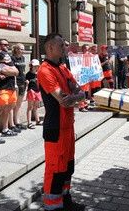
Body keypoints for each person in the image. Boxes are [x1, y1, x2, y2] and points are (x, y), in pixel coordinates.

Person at [37, 33, 86, 211]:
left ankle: (65, 202)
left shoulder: (63, 68)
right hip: (55, 127)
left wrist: (75, 96)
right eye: (61, 45)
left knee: (67, 167)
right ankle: (53, 207)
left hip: (68, 126)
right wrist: (76, 96)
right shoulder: (44, 70)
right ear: (49, 47)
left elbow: (81, 93)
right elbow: (63, 100)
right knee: (55, 170)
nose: (64, 48)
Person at [0, 39, 19, 143]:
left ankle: (5, 129)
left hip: (11, 87)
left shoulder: (7, 56)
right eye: (4, 44)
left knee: (8, 109)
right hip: (2, 88)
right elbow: (3, 70)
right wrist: (11, 72)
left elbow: (16, 71)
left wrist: (10, 72)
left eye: (8, 44)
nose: (7, 46)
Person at [11, 43, 28, 131]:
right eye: (21, 49)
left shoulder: (23, 58)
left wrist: (26, 79)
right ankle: (12, 124)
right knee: (13, 104)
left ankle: (17, 122)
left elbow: (23, 70)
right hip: (16, 83)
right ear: (16, 49)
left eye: (23, 49)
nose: (23, 51)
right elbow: (12, 72)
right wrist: (15, 83)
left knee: (18, 104)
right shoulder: (12, 58)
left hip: (23, 82)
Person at [25, 59, 43, 129]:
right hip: (31, 90)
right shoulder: (28, 74)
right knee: (30, 107)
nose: (36, 67)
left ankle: (37, 120)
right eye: (34, 66)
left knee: (36, 107)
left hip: (38, 91)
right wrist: (26, 82)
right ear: (31, 66)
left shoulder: (38, 74)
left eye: (37, 66)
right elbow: (26, 81)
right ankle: (29, 122)